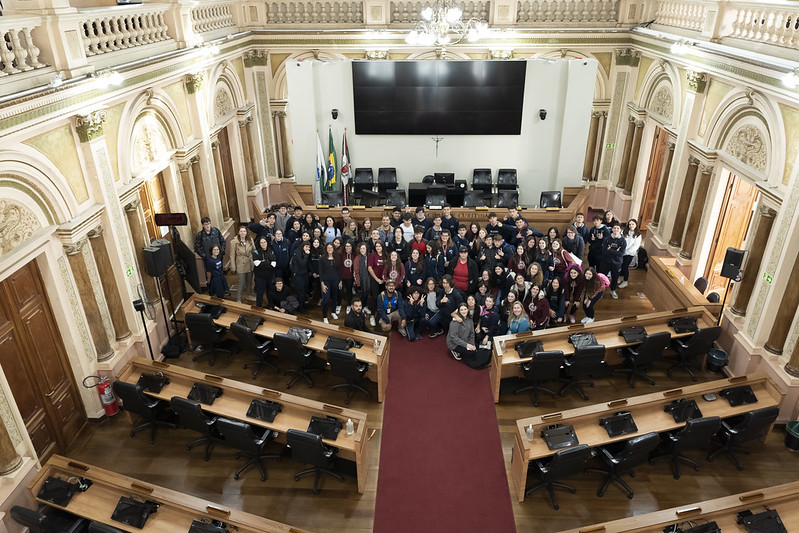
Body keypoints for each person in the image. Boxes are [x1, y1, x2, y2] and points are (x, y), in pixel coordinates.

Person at [447, 303, 492, 368]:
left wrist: (472, 344)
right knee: (471, 353)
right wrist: (467, 345)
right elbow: (453, 338)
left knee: (476, 347)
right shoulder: (454, 322)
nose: (463, 311)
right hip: (454, 343)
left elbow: (471, 334)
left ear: (468, 310)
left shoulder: (470, 320)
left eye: (465, 309)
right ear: (459, 311)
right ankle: (455, 350)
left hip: (465, 340)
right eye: (461, 310)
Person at [600, 221, 626, 299]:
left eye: (618, 228)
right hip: (606, 262)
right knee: (602, 277)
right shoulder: (607, 239)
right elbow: (604, 252)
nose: (616, 230)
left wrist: (610, 250)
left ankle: (613, 290)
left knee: (615, 278)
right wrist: (616, 251)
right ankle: (601, 291)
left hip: (617, 263)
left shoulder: (623, 241)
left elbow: (621, 254)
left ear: (620, 230)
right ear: (612, 229)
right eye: (614, 228)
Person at [231, 225, 254, 302]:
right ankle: (238, 299)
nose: (243, 233)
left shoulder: (250, 239)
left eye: (244, 231)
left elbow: (254, 250)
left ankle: (248, 295)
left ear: (246, 232)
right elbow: (232, 256)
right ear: (238, 232)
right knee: (241, 282)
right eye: (241, 231)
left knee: (249, 281)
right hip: (240, 264)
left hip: (249, 263)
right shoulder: (234, 242)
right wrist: (233, 267)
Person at [319, 242, 341, 323]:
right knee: (326, 299)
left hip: (335, 280)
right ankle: (325, 316)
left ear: (334, 249)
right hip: (326, 281)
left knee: (335, 297)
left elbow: (339, 270)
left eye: (331, 248)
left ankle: (333, 311)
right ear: (326, 249)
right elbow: (320, 272)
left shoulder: (337, 257)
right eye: (328, 248)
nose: (330, 249)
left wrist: (340, 281)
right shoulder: (322, 259)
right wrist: (322, 284)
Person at [252, 236, 276, 307]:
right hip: (260, 276)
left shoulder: (271, 251)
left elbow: (274, 264)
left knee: (269, 291)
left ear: (267, 243)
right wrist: (268, 262)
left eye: (264, 242)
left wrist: (262, 263)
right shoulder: (255, 252)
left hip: (269, 276)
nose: (263, 244)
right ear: (259, 244)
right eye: (261, 242)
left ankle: (271, 305)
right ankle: (258, 306)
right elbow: (257, 263)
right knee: (260, 292)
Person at [367, 241, 386, 327]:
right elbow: (369, 268)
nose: (378, 248)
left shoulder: (386, 255)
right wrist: (377, 279)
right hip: (375, 279)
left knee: (383, 297)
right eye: (377, 246)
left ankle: (381, 315)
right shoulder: (372, 255)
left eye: (380, 246)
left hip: (384, 280)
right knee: (375, 297)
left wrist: (384, 279)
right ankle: (372, 315)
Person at [619, 218, 642, 289]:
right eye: (630, 224)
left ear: (636, 225)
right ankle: (620, 277)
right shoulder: (624, 232)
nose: (631, 226)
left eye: (633, 224)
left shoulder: (638, 235)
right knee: (620, 265)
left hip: (629, 254)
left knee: (625, 266)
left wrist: (626, 252)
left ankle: (625, 281)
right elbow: (620, 240)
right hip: (622, 252)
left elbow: (635, 246)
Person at [290, 241, 311, 313]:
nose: (307, 248)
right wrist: (306, 255)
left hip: (305, 275)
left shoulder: (306, 253)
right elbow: (302, 263)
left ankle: (303, 305)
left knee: (305, 291)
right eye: (306, 246)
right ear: (302, 246)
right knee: (300, 292)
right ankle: (300, 308)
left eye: (309, 247)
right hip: (298, 275)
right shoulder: (297, 252)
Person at [353, 242, 372, 316]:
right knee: (361, 295)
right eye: (361, 248)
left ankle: (364, 306)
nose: (362, 250)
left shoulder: (370, 256)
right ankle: (360, 310)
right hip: (361, 280)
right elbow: (356, 271)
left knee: (366, 294)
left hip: (368, 280)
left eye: (364, 248)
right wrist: (358, 282)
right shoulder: (357, 258)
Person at [339, 240, 356, 313]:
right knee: (340, 291)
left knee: (349, 291)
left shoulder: (354, 254)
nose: (347, 247)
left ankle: (349, 305)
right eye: (346, 246)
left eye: (349, 246)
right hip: (342, 277)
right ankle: (338, 304)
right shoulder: (341, 254)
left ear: (352, 247)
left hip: (350, 277)